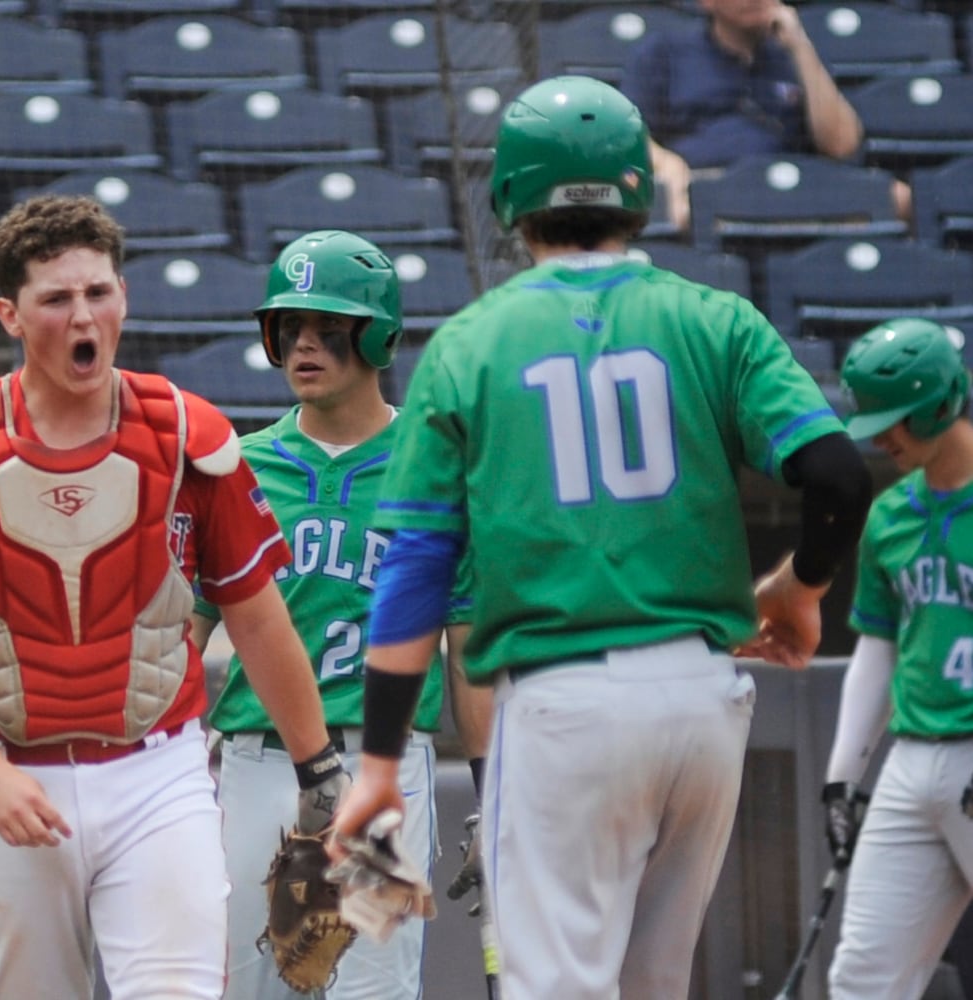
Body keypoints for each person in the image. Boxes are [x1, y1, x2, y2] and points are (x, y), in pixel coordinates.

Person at [326, 75, 873, 1000]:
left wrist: (378, 763)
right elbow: (839, 476)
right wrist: (802, 587)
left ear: (510, 196)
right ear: (636, 191)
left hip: (565, 706)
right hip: (703, 702)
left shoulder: (470, 343)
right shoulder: (714, 319)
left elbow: (414, 570)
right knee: (655, 984)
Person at [0, 194, 345, 1000]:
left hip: (159, 773)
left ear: (122, 298)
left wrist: (319, 768)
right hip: (10, 776)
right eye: (56, 299)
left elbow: (255, 614)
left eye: (98, 292)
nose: (83, 313)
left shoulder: (188, 438)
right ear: (11, 314)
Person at [191, 229, 493, 1000]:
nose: (303, 345)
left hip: (381, 768)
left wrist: (491, 797)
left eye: (329, 328)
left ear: (378, 338)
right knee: (247, 987)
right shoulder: (239, 466)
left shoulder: (430, 466)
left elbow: (468, 651)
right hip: (257, 763)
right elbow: (186, 632)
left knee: (372, 990)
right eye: (288, 328)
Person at [823, 317, 973, 1000]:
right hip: (911, 761)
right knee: (863, 977)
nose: (881, 437)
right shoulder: (889, 515)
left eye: (896, 420)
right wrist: (840, 779)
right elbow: (877, 649)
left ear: (940, 403)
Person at [620, 0, 868, 231]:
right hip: (705, 186)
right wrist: (667, 163)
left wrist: (799, 47)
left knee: (894, 197)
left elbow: (842, 146)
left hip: (793, 188)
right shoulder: (665, 52)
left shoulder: (799, 53)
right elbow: (628, 134)